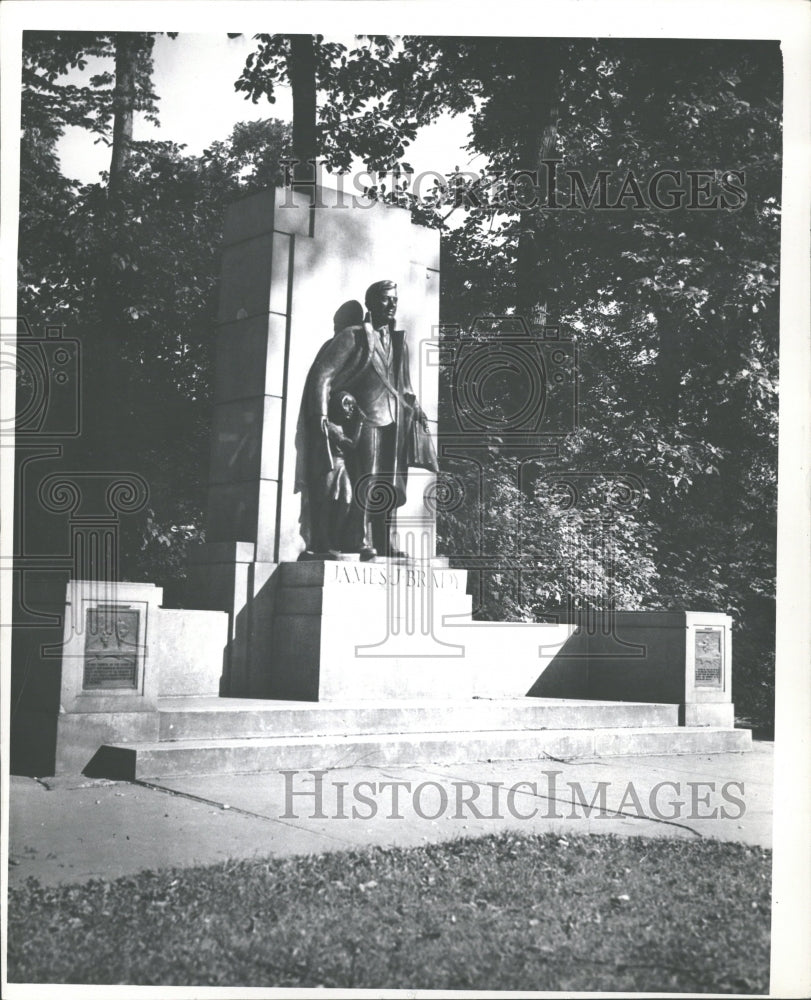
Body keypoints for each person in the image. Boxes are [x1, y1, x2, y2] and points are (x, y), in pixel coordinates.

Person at [295, 280, 437, 560]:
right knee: (367, 481)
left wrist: (416, 408)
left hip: (395, 423)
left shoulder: (398, 342)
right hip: (366, 419)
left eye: (395, 299)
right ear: (371, 303)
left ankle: (385, 542)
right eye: (386, 299)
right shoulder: (354, 336)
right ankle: (357, 538)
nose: (392, 304)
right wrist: (321, 417)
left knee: (391, 485)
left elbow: (404, 386)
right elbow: (323, 375)